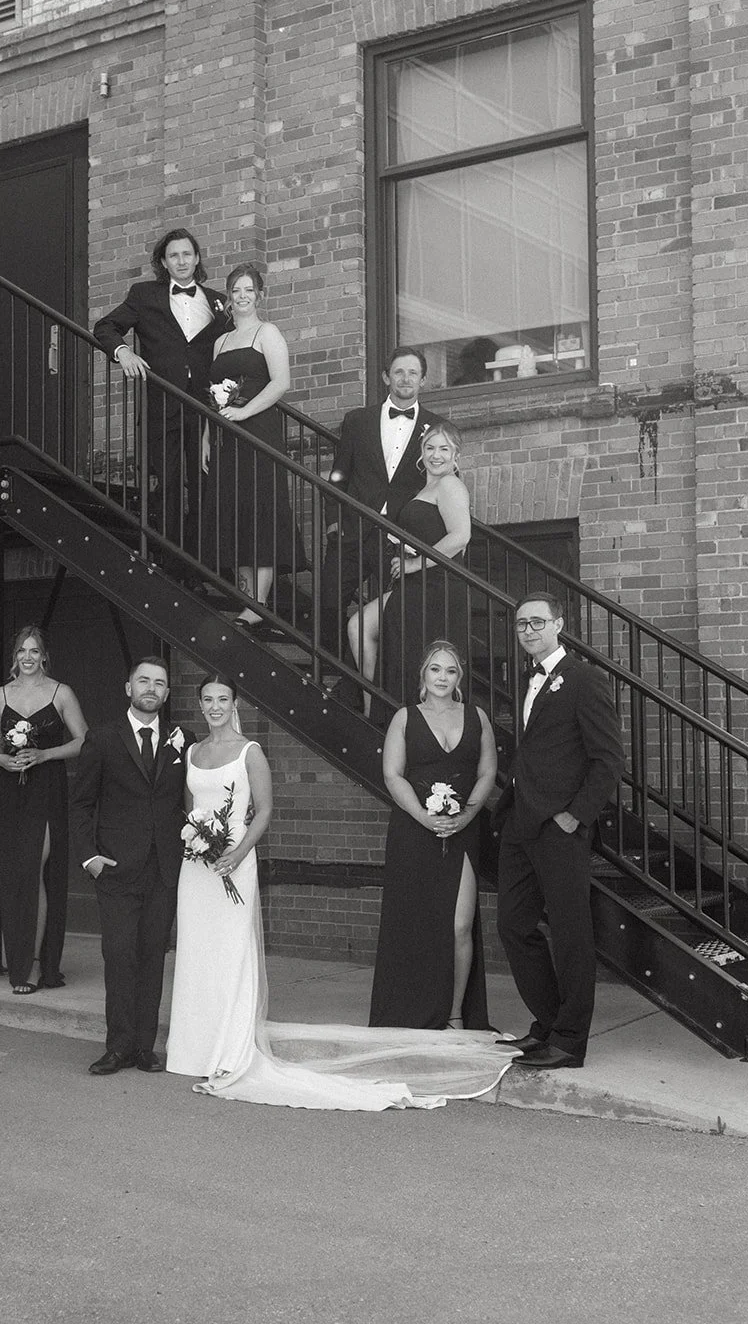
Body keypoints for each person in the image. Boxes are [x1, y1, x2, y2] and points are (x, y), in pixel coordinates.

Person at [165, 675, 511, 1109]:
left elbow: (264, 809)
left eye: (223, 699)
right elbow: (189, 806)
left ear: (235, 702)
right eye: (207, 700)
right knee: (197, 952)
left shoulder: (250, 751)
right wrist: (199, 839)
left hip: (238, 858)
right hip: (199, 866)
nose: (215, 706)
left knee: (233, 952)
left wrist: (235, 851)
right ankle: (193, 1044)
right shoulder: (192, 752)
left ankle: (231, 1043)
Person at [494, 591, 624, 1070]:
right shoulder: (527, 680)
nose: (528, 630)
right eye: (521, 623)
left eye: (537, 622)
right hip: (519, 824)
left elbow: (608, 758)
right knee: (513, 925)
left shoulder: (584, 680)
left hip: (560, 827)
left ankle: (569, 1041)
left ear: (559, 624)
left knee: (571, 933)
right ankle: (548, 1024)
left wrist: (576, 816)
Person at [69, 656, 190, 1075]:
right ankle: (117, 1046)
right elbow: (82, 803)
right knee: (119, 955)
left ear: (167, 693)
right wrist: (90, 858)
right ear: (128, 688)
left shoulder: (182, 740)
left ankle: (144, 1046)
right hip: (116, 868)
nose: (151, 689)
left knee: (152, 956)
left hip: (163, 869)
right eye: (144, 681)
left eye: (159, 683)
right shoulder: (103, 738)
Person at [369, 642, 496, 1031]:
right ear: (423, 675)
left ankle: (456, 1014)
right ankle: (408, 1012)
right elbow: (392, 775)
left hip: (463, 832)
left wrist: (468, 814)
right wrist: (424, 817)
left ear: (459, 678)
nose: (443, 678)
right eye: (436, 670)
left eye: (451, 671)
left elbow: (488, 772)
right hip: (414, 832)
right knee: (414, 924)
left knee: (459, 924)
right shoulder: (405, 718)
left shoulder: (477, 716)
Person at [92, 228, 227, 553]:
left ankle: (200, 566)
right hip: (162, 405)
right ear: (163, 262)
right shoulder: (143, 295)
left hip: (204, 409)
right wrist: (123, 352)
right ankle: (170, 563)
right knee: (165, 485)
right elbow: (105, 327)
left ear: (196, 259)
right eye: (173, 255)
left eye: (187, 254)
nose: (181, 261)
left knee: (203, 486)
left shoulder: (217, 302)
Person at [199, 263, 304, 629]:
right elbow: (214, 398)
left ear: (260, 295)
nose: (242, 297)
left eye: (248, 290)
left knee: (261, 510)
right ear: (228, 298)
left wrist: (244, 413)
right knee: (236, 513)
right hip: (227, 437)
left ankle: (259, 605)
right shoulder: (220, 342)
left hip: (258, 432)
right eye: (235, 291)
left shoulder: (267, 332)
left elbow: (280, 384)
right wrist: (208, 436)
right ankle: (247, 599)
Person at [320, 347, 434, 675]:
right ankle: (337, 675)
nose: (405, 378)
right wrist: (332, 524)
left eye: (413, 372)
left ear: (423, 380)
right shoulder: (358, 421)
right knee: (329, 603)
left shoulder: (435, 428)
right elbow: (338, 475)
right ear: (386, 377)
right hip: (352, 531)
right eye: (398, 372)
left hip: (400, 539)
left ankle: (386, 682)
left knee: (396, 615)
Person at [0, 626, 87, 994]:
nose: (27, 657)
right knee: (15, 878)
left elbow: (84, 741)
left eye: (34, 651)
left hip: (47, 791)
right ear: (15, 657)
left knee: (34, 870)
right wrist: (2, 761)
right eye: (21, 652)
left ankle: (30, 967)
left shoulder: (61, 693)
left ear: (44, 655)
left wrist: (45, 754)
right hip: (11, 792)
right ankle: (19, 957)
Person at [348, 419, 472, 708]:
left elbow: (460, 537)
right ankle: (376, 706)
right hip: (417, 585)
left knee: (374, 633)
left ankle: (379, 708)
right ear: (421, 451)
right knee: (361, 627)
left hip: (436, 586)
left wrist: (416, 564)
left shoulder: (450, 484)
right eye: (430, 447)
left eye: (444, 448)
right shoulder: (424, 490)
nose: (436, 454)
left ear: (456, 455)